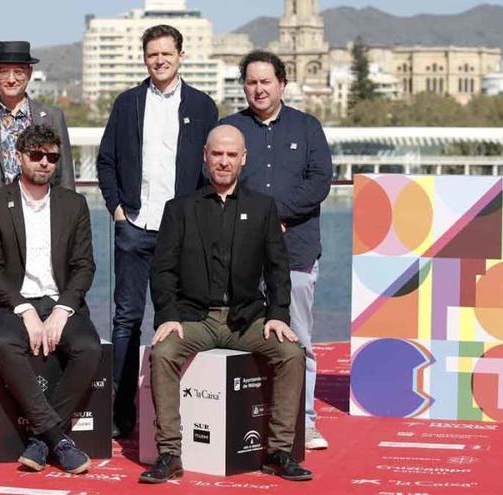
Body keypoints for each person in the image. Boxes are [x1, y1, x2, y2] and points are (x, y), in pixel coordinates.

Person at [139, 125, 312, 484]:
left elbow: (279, 270)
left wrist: (279, 315)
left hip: (246, 320)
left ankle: (278, 451)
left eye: (231, 155)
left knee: (292, 354)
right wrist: (167, 316)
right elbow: (163, 270)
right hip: (195, 319)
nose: (223, 161)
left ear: (243, 159)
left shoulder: (263, 208)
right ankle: (169, 452)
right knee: (164, 351)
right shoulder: (180, 209)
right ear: (205, 154)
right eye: (217, 154)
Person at [96, 24, 218, 438]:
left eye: (167, 53)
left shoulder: (202, 106)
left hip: (180, 233)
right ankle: (121, 412)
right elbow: (106, 160)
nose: (159, 60)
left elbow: (210, 169)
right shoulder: (127, 103)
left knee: (176, 319)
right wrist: (116, 209)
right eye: (152, 54)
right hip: (133, 227)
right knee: (126, 320)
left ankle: (172, 414)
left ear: (181, 55)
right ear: (144, 58)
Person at [221, 50, 333, 450]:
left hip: (296, 252)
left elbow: (320, 180)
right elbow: (217, 178)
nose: (258, 89)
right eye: (251, 82)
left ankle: (304, 421)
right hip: (241, 256)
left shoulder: (307, 127)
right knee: (238, 336)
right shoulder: (230, 129)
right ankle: (241, 419)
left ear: (282, 83)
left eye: (266, 81)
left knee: (298, 338)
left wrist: (275, 215)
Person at [0, 124, 100, 474]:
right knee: (5, 342)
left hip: (60, 301)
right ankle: (59, 439)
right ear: (19, 157)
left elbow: (84, 265)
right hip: (12, 302)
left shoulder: (73, 205)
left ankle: (41, 440)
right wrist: (24, 308)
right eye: (37, 155)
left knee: (89, 348)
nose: (45, 163)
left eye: (52, 157)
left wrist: (63, 308)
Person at [0, 40, 75, 293]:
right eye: (3, 71)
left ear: (29, 74)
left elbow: (65, 181)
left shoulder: (52, 117)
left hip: (41, 228)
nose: (11, 79)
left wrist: (69, 238)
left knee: (44, 304)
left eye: (18, 71)